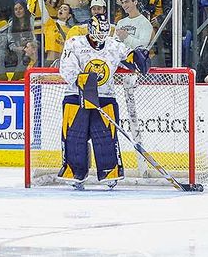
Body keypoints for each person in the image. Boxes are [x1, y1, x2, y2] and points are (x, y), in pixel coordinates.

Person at [57, 14, 149, 190]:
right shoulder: (75, 43)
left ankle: (109, 170)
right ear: (91, 30)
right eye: (98, 34)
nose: (101, 39)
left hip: (105, 96)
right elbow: (66, 67)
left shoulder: (114, 45)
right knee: (74, 135)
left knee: (105, 135)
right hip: (76, 96)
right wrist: (84, 83)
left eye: (104, 35)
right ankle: (75, 171)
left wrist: (138, 57)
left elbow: (129, 57)